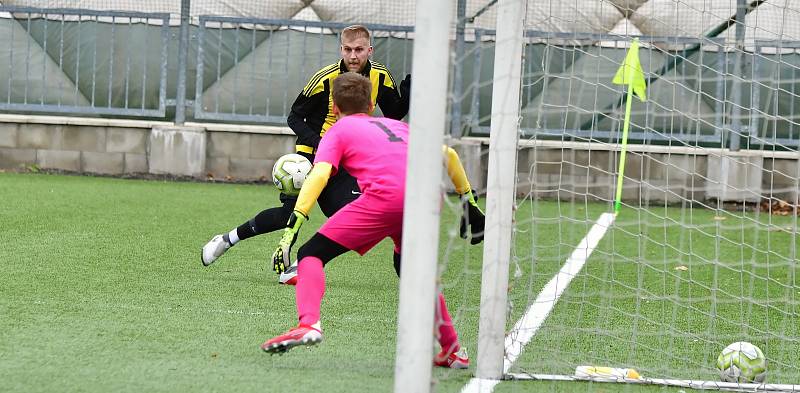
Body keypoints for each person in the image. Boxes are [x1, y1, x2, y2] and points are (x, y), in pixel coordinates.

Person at [260, 72, 480, 369]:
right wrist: (469, 202)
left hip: (386, 200)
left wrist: (294, 225)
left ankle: (309, 323)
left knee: (310, 254)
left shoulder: (337, 131)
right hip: (427, 201)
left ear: (334, 108)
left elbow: (320, 175)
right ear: (373, 103)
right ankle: (453, 350)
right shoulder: (400, 127)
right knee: (412, 270)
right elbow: (449, 155)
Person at [201, 25, 411, 285]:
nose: (353, 56)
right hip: (312, 154)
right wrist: (323, 142)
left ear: (370, 50)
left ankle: (302, 263)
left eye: (359, 50)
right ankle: (226, 240)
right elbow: (294, 116)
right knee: (287, 215)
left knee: (348, 215)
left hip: (347, 159)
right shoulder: (325, 78)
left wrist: (409, 97)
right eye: (348, 50)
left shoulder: (381, 75)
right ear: (341, 49)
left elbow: (391, 116)